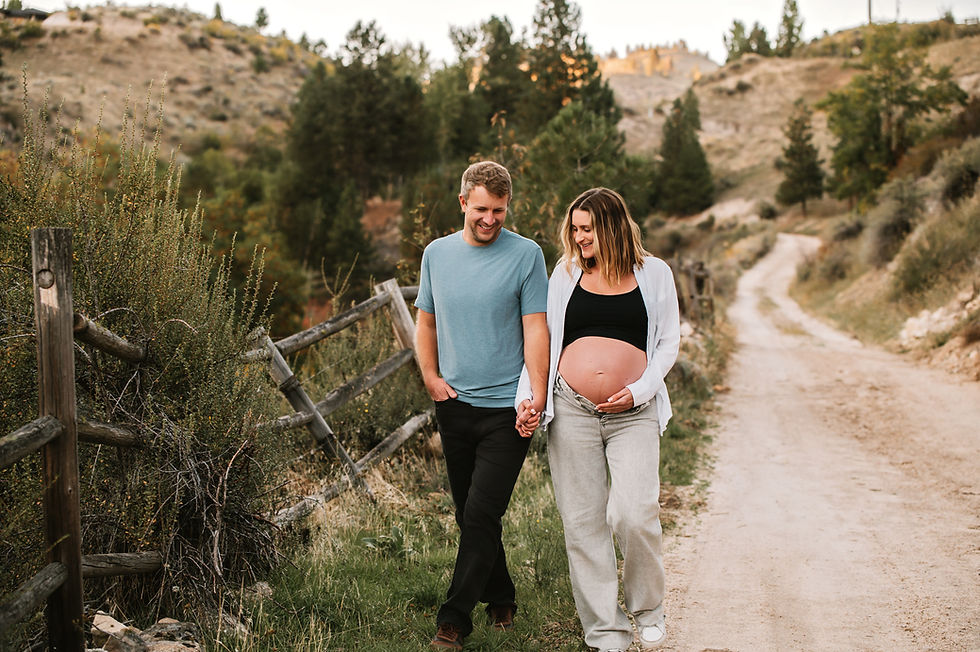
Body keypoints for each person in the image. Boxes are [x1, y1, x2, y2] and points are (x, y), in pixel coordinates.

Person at [516, 187, 680, 651]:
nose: (578, 237)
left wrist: (640, 390)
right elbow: (544, 341)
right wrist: (528, 397)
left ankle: (648, 609)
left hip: (635, 413)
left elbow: (668, 342)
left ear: (611, 226)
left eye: (586, 229)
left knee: (636, 513)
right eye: (574, 229)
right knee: (583, 523)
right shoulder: (566, 273)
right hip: (571, 409)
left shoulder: (655, 273)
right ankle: (606, 630)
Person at [414, 161, 550, 650]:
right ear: (463, 203)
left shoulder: (527, 255)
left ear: (508, 206)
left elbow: (536, 327)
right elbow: (426, 322)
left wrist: (537, 394)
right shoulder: (436, 254)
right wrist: (431, 378)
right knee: (471, 514)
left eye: (499, 210)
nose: (490, 219)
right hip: (454, 406)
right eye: (481, 209)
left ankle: (453, 620)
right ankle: (502, 596)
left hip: (507, 412)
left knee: (480, 514)